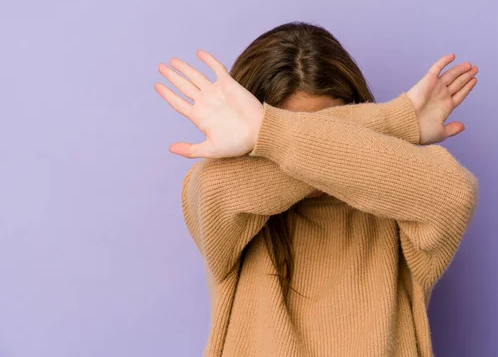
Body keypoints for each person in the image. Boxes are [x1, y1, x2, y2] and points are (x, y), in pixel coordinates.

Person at [155, 22, 479, 357]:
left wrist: (268, 132)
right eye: (280, 124)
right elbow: (215, 189)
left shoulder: (395, 199)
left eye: (330, 124)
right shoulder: (222, 193)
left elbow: (453, 193)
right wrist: (393, 121)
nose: (310, 143)